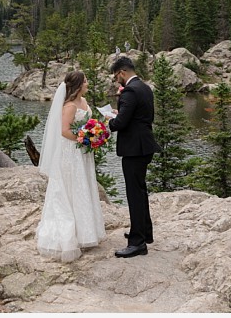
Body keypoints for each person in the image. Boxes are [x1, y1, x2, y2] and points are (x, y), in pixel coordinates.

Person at [36, 70, 106, 262]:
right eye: (85, 81)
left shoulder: (83, 102)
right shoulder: (69, 106)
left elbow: (90, 122)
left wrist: (96, 134)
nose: (88, 84)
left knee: (83, 186)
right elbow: (64, 131)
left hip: (83, 152)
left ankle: (86, 232)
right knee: (70, 188)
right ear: (77, 85)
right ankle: (70, 235)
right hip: (71, 152)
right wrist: (84, 139)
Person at [107, 55, 161, 258]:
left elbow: (121, 123)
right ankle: (144, 232)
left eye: (116, 76)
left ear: (122, 72)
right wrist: (119, 113)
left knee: (134, 194)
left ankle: (137, 243)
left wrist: (108, 122)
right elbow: (138, 115)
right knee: (140, 190)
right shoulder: (144, 87)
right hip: (144, 146)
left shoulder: (129, 91)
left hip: (134, 149)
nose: (116, 80)